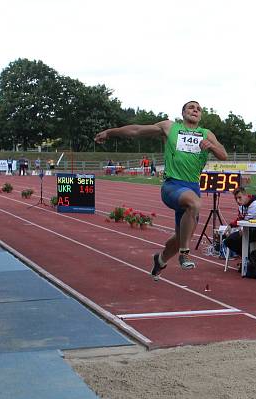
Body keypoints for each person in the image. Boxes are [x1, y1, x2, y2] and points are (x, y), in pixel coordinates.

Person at [94, 100, 228, 279]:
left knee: (180, 236)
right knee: (195, 205)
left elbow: (224, 155)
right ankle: (184, 253)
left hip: (192, 187)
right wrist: (110, 132)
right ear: (183, 113)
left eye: (198, 109)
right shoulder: (169, 127)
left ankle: (161, 259)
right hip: (172, 186)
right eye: (191, 107)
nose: (195, 110)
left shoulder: (206, 134)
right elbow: (136, 130)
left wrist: (211, 146)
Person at [222, 186, 256, 258]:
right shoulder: (241, 206)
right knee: (227, 240)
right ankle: (246, 258)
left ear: (246, 195)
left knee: (236, 240)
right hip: (245, 232)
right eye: (236, 198)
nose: (237, 201)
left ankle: (249, 259)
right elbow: (240, 219)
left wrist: (248, 228)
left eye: (240, 198)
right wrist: (231, 225)